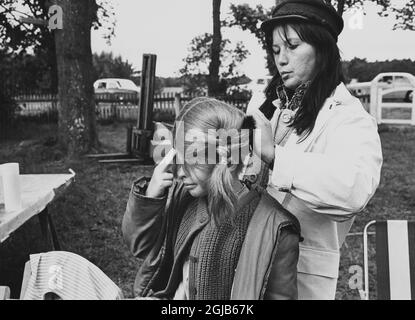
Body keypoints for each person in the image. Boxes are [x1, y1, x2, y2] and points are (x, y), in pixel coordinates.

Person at [244, 0, 383, 299]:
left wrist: (274, 156)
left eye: (292, 46)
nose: (281, 59)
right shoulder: (266, 104)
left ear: (322, 49)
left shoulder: (349, 117)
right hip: (244, 264)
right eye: (276, 49)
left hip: (300, 278)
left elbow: (353, 188)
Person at [122, 97, 301, 300]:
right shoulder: (183, 196)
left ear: (224, 158)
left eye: (191, 160)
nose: (180, 172)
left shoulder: (274, 228)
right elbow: (139, 246)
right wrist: (150, 198)